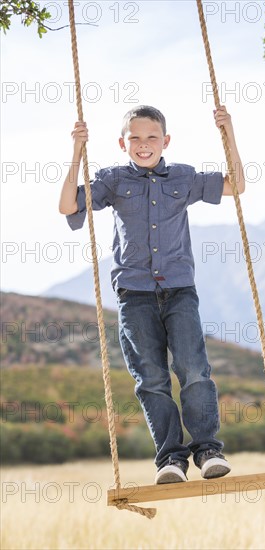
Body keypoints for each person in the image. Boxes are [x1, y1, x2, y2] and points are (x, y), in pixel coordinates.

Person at [59, 105, 245, 484]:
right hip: (135, 295)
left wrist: (230, 133)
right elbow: (67, 205)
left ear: (166, 141)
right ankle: (171, 460)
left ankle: (208, 450)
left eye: (151, 138)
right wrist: (77, 151)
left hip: (179, 291)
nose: (144, 145)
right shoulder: (112, 181)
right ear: (123, 143)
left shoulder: (183, 177)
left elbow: (236, 185)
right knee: (151, 379)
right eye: (136, 138)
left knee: (193, 369)